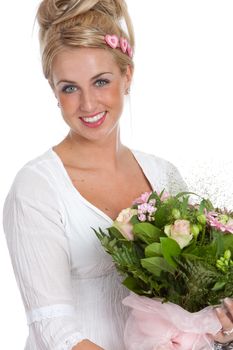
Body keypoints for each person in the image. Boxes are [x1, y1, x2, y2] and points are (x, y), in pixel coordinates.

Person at [3, 0, 233, 349]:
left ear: (127, 76)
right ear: (53, 91)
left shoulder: (163, 174)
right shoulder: (37, 189)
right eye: (69, 87)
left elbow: (189, 309)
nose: (88, 104)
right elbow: (53, 331)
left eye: (101, 81)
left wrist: (217, 326)